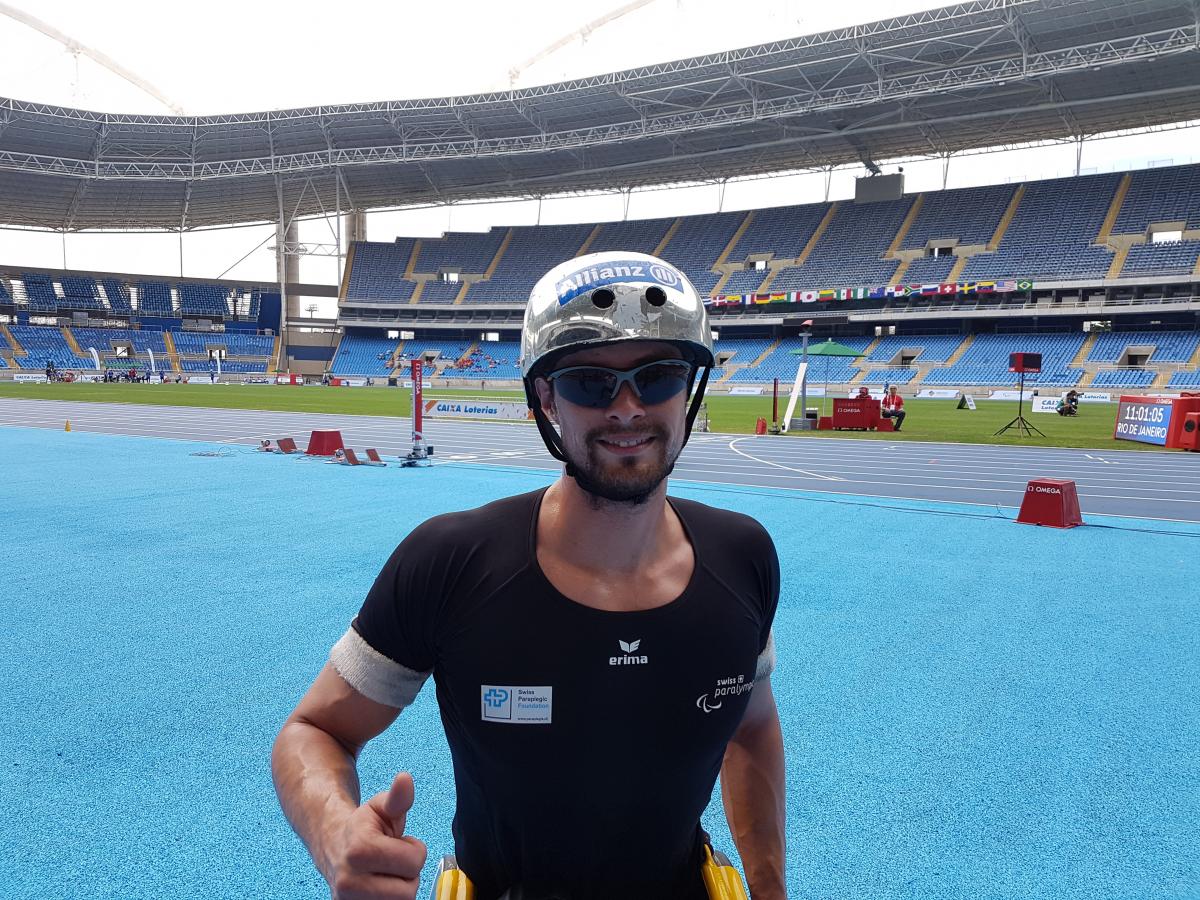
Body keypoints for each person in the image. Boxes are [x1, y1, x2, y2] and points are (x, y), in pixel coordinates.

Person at [272, 252, 785, 900]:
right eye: (590, 383)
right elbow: (314, 731)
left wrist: (769, 890)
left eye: (657, 377)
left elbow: (753, 725)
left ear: (690, 389)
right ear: (545, 396)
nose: (627, 409)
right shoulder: (449, 563)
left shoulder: (743, 558)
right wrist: (334, 832)